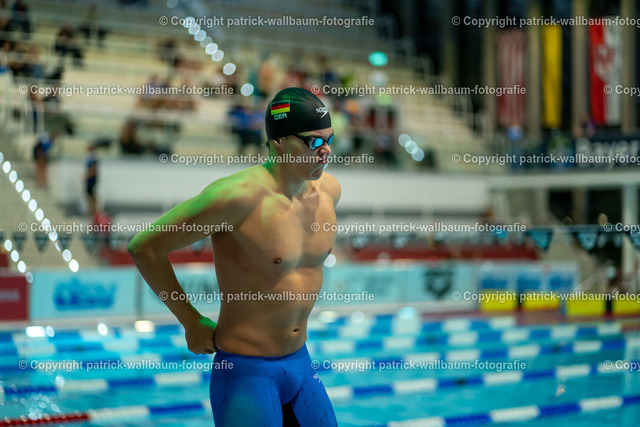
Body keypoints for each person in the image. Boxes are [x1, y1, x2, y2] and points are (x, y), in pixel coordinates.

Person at [128, 87, 339, 426]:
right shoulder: (236, 198)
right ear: (279, 142)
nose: (326, 150)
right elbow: (145, 247)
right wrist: (190, 320)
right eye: (314, 141)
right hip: (245, 370)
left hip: (301, 362)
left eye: (329, 139)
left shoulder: (329, 192)